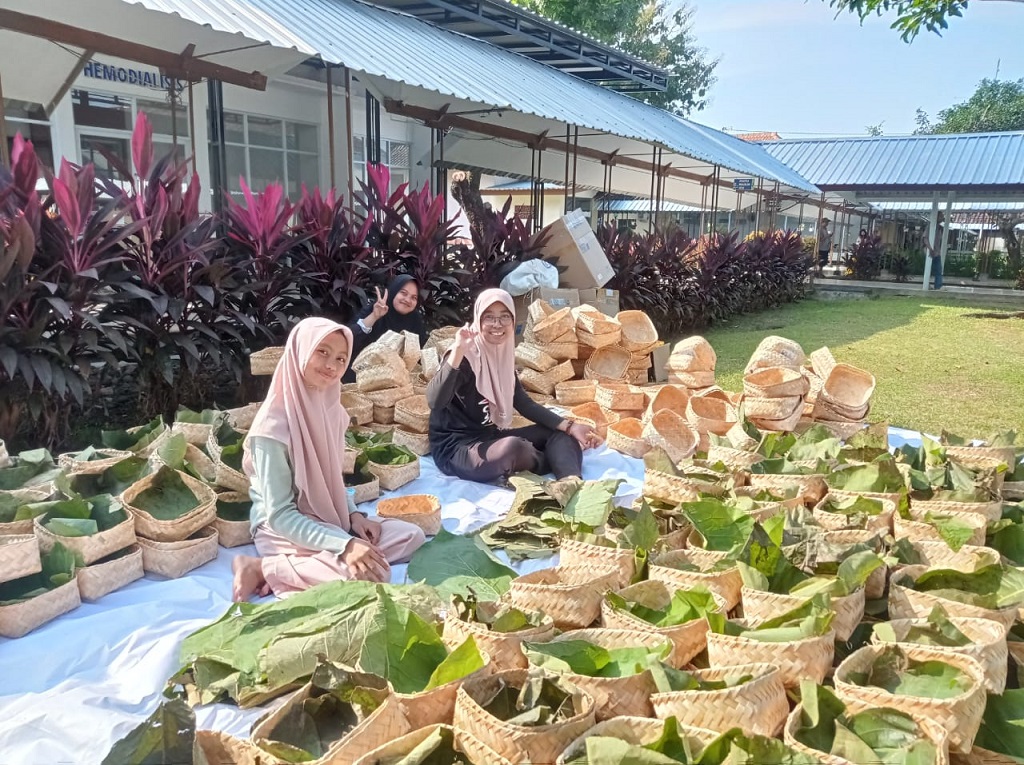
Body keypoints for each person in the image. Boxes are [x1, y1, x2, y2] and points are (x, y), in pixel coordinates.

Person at [232, 317, 426, 600]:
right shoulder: (271, 429)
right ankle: (262, 567)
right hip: (284, 528)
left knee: (412, 537)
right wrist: (346, 545)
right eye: (322, 352)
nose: (331, 366)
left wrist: (354, 516)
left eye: (340, 358)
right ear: (300, 351)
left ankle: (316, 565)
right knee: (375, 575)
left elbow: (332, 478)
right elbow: (281, 515)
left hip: (329, 518)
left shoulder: (331, 412)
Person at [428, 288, 600, 483]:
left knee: (558, 431)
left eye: (504, 317)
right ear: (478, 320)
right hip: (457, 449)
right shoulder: (464, 355)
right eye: (489, 317)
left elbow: (524, 403)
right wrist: (458, 351)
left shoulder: (502, 356)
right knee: (513, 448)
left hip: (489, 437)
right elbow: (435, 401)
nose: (497, 324)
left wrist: (570, 426)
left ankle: (570, 481)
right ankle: (553, 458)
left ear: (513, 321)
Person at [344, 274, 428, 382]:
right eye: (403, 293)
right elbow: (349, 340)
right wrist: (374, 316)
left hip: (394, 385)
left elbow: (419, 355)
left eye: (413, 297)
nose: (407, 300)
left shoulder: (415, 320)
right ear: (393, 291)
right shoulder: (375, 309)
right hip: (359, 379)